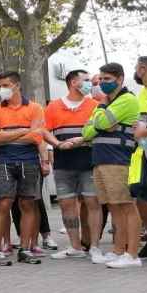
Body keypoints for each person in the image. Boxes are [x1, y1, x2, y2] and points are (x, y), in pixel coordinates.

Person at [0, 71, 49, 265]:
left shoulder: (35, 108)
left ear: (16, 85)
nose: (1, 90)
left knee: (27, 205)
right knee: (3, 204)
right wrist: (24, 130)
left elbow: (36, 137)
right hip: (2, 161)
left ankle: (25, 249)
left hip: (29, 161)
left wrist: (8, 134)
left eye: (5, 85)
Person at [83, 62, 141, 268]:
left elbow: (100, 124)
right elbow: (86, 131)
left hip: (119, 160)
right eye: (100, 80)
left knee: (127, 206)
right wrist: (100, 120)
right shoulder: (107, 103)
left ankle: (132, 254)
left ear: (120, 79)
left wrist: (99, 119)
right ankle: (118, 250)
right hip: (101, 159)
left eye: (107, 80)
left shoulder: (127, 100)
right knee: (114, 207)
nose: (102, 84)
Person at [44, 70, 100, 259]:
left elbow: (101, 131)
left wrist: (83, 140)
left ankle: (94, 247)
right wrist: (58, 144)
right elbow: (44, 131)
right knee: (67, 204)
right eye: (85, 80)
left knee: (93, 203)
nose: (90, 84)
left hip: (89, 162)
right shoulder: (53, 106)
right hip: (63, 163)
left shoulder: (95, 105)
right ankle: (75, 247)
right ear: (74, 82)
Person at [129, 56, 147, 260]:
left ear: (143, 69)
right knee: (142, 197)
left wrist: (145, 132)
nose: (135, 71)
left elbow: (144, 128)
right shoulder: (142, 93)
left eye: (137, 68)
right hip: (143, 153)